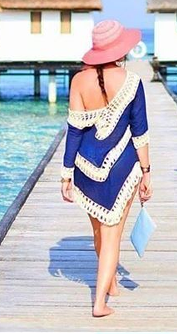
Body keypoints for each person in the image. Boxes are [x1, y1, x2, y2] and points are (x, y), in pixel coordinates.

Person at [60, 20, 152, 317]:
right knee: (112, 235)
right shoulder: (132, 82)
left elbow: (74, 131)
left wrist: (66, 174)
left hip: (85, 167)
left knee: (99, 231)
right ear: (120, 49)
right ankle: (100, 303)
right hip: (122, 168)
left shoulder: (78, 81)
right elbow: (140, 132)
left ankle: (110, 283)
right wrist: (147, 171)